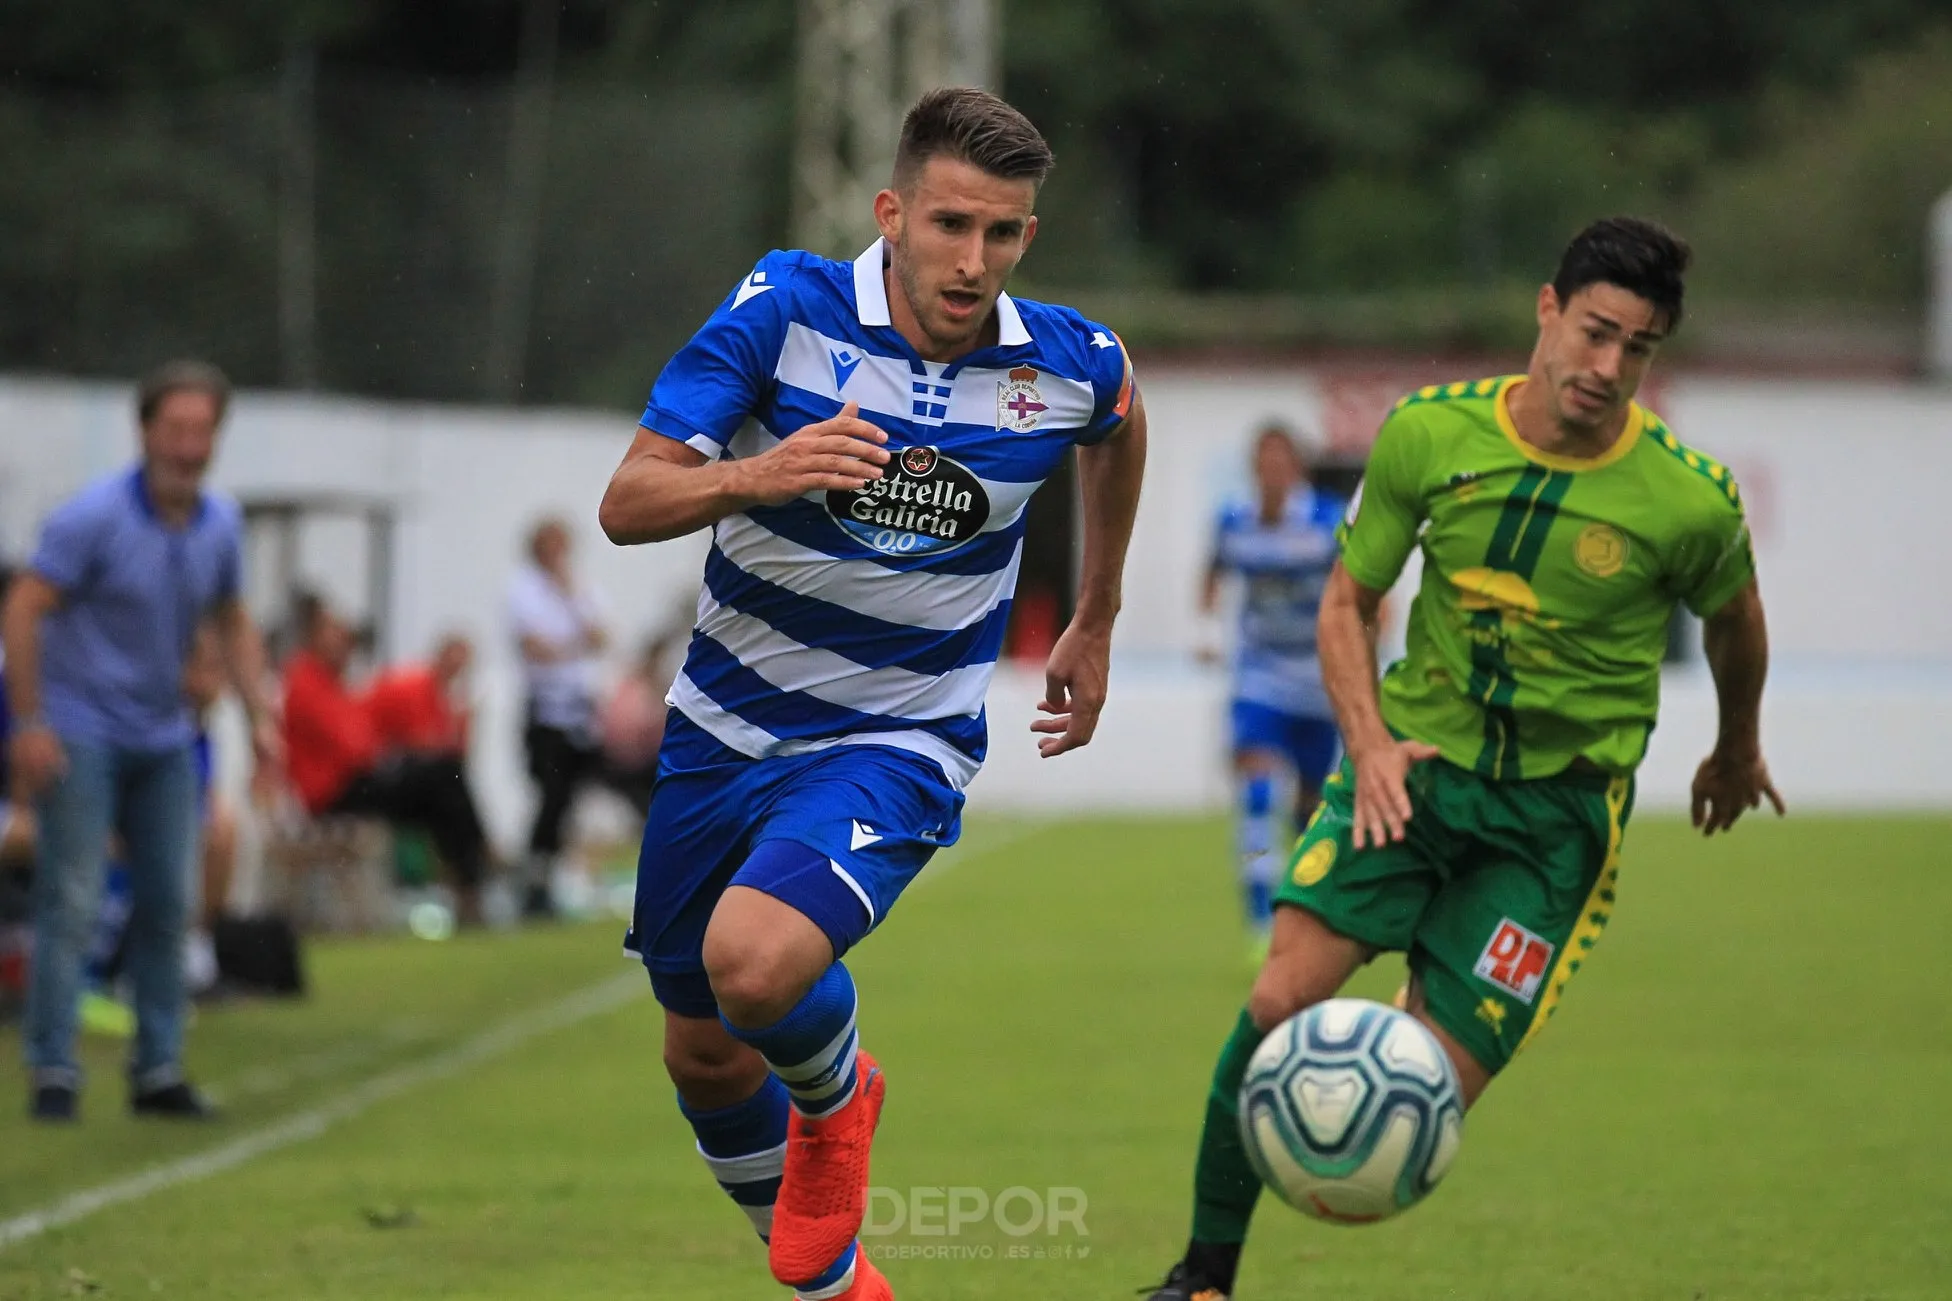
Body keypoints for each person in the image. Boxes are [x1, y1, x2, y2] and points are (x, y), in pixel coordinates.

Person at [1143, 217, 1786, 1300]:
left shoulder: (1687, 498)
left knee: (1417, 1094)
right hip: (1411, 772)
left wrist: (1735, 743)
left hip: (1548, 828)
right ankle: (1200, 1275)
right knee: (1273, 1007)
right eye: (1592, 331)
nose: (1605, 366)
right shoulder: (1427, 435)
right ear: (1545, 309)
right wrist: (1367, 747)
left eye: (1636, 347)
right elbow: (1346, 603)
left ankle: (1397, 1025)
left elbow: (1736, 624)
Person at [599, 87, 1146, 1301]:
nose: (972, 260)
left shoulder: (1064, 360)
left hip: (897, 733)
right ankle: (837, 1287)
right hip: (723, 725)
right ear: (890, 212)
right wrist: (760, 472)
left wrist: (1096, 614)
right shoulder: (785, 312)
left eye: (1002, 234)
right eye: (950, 224)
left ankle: (839, 1106)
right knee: (698, 1045)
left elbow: (1117, 421)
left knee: (753, 965)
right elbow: (626, 501)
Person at [4, 359, 279, 1123]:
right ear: (146, 431)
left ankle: (158, 1066)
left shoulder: (220, 522)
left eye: (202, 431)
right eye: (177, 428)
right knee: (75, 896)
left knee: (170, 902)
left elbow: (231, 617)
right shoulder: (91, 518)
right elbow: (23, 607)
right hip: (81, 730)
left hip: (163, 734)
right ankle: (52, 1066)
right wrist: (29, 721)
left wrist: (260, 716)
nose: (189, 446)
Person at [1199, 423, 1346, 962]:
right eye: (1263, 462)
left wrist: (1370, 643)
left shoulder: (1327, 520)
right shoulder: (1234, 521)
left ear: (1298, 468)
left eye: (1282, 462)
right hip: (1258, 679)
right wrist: (1207, 630)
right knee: (1257, 794)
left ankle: (1298, 910)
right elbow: (1212, 572)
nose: (1272, 472)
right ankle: (1259, 919)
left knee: (1308, 811)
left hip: (1317, 683)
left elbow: (1362, 583)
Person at [281, 599, 490, 926]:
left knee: (445, 788)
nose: (344, 641)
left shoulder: (335, 682)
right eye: (334, 632)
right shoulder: (307, 680)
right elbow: (355, 747)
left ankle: (470, 879)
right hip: (334, 793)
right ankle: (475, 873)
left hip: (355, 782)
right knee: (443, 776)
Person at [507, 518, 609, 919]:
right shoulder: (522, 591)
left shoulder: (579, 590)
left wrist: (572, 603)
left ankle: (557, 877)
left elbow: (601, 637)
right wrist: (577, 643)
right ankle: (534, 879)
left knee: (572, 799)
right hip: (546, 711)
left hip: (580, 712)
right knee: (549, 797)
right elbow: (536, 649)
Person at [366, 633, 473, 759]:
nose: (456, 674)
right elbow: (420, 740)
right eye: (455, 667)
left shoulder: (437, 692)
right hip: (377, 751)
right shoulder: (415, 686)